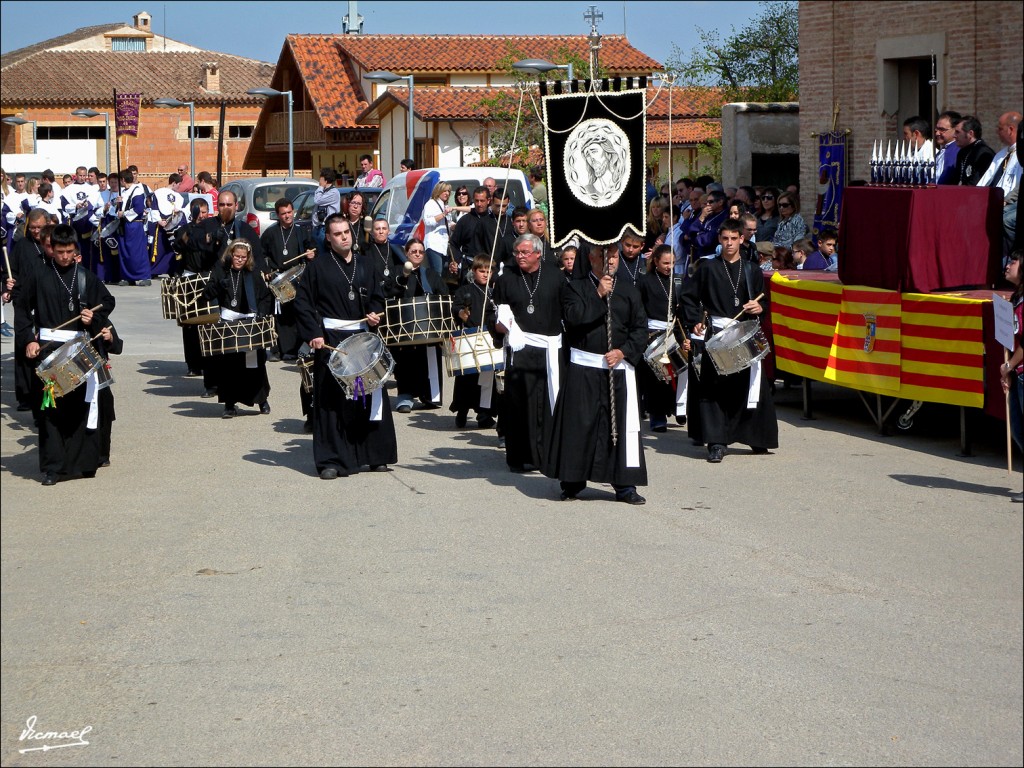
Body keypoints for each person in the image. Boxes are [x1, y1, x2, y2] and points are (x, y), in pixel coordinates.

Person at [543, 239, 649, 504]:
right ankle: (572, 481)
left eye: (613, 257)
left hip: (618, 369)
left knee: (619, 430)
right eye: (605, 257)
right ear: (591, 259)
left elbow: (640, 329)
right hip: (584, 370)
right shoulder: (575, 288)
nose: (610, 262)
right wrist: (598, 295)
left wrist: (623, 351)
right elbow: (574, 319)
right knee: (580, 427)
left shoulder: (629, 290)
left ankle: (625, 486)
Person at [293, 214, 397, 478]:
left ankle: (372, 454)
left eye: (346, 232)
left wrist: (375, 313)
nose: (343, 237)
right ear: (328, 238)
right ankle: (332, 460)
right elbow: (302, 302)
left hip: (362, 341)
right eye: (337, 233)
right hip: (332, 341)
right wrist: (313, 334)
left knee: (365, 394)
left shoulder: (365, 264)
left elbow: (377, 296)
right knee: (332, 401)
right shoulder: (318, 267)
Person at [14, 224, 115, 485]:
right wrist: (28, 340)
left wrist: (93, 316)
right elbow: (22, 310)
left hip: (79, 349)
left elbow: (107, 300)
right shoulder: (38, 274)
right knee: (51, 410)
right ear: (52, 250)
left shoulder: (84, 276)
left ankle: (82, 463)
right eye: (60, 251)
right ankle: (53, 468)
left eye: (70, 251)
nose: (65, 257)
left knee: (80, 408)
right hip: (48, 349)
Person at [681, 218, 778, 463]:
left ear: (742, 239)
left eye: (734, 239)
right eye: (725, 239)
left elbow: (762, 301)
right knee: (715, 389)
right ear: (719, 240)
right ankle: (716, 441)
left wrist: (759, 307)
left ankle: (754, 436)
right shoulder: (707, 267)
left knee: (748, 385)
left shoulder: (752, 269)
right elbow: (689, 298)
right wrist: (696, 319)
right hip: (717, 332)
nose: (729, 243)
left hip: (744, 332)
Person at [491, 233, 564, 472]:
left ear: (538, 253)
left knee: (545, 403)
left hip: (548, 350)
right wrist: (500, 326)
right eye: (517, 253)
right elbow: (497, 311)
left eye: (525, 252)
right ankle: (518, 456)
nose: (520, 257)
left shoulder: (555, 276)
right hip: (519, 350)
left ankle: (545, 455)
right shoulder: (506, 278)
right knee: (518, 404)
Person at [201, 239, 273, 418]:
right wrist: (219, 285)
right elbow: (206, 294)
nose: (240, 260)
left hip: (249, 322)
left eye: (243, 257)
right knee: (229, 366)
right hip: (228, 321)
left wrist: (262, 313)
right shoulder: (220, 269)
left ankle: (261, 400)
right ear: (230, 255)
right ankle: (229, 404)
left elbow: (265, 297)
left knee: (254, 364)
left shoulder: (254, 272)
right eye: (236, 256)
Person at [388, 238, 448, 413]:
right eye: (413, 251)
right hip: (404, 329)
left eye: (420, 252)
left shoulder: (430, 275)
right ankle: (405, 396)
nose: (417, 254)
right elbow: (390, 293)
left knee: (428, 360)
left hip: (428, 328)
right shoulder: (398, 272)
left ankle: (430, 396)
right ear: (406, 253)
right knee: (405, 363)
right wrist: (402, 281)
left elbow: (443, 295)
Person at [638, 244, 689, 433]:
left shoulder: (678, 281)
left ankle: (681, 407)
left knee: (682, 369)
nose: (669, 267)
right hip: (653, 333)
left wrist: (686, 334)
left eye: (673, 263)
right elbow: (639, 309)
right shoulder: (645, 281)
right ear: (656, 262)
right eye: (666, 263)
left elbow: (683, 309)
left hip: (674, 331)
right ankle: (657, 416)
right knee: (657, 378)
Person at [261, 197, 315, 361]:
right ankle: (278, 350)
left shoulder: (301, 231)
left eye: (289, 212)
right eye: (283, 213)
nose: (287, 216)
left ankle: (296, 349)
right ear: (278, 215)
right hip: (278, 278)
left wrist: (311, 254)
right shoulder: (270, 233)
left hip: (297, 278)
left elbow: (312, 248)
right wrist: (268, 270)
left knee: (296, 314)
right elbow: (261, 254)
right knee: (279, 315)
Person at [449, 255, 499, 430]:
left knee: (487, 379)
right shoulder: (465, 290)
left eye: (489, 271)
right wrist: (461, 312)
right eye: (482, 271)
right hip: (470, 339)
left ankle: (484, 415)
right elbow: (456, 307)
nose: (485, 274)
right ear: (474, 271)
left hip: (489, 338)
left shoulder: (495, 292)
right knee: (467, 379)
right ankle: (462, 411)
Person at [977, 112, 1021, 259]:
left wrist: (1005, 200)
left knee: (1005, 219)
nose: (997, 132)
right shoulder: (1001, 154)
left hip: (1008, 203)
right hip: (991, 201)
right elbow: (985, 180)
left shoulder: (1020, 154)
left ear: (1011, 129)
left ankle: (1005, 260)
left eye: (1000, 128)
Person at [999, 249, 1023, 504]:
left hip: (1022, 370)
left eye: (1013, 261)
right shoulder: (1016, 298)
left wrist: (1009, 366)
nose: (1007, 265)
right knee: (1017, 429)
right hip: (1018, 371)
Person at [116, 169, 151, 286]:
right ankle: (127, 276)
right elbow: (120, 209)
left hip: (134, 224)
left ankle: (144, 276)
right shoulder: (123, 192)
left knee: (137, 251)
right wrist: (118, 204)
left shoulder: (137, 191)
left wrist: (124, 214)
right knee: (125, 251)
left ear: (122, 180)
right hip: (124, 225)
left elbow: (139, 208)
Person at [951, 115, 995, 186]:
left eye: (957, 132)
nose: (954, 136)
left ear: (970, 134)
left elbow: (978, 183)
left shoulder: (984, 154)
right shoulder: (962, 152)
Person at [422, 182, 454, 276]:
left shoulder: (446, 206)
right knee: (437, 272)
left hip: (443, 245)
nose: (447, 193)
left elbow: (448, 224)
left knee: (441, 272)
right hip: (434, 244)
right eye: (444, 191)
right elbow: (428, 221)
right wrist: (443, 214)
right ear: (438, 191)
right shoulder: (430, 204)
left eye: (448, 191)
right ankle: (435, 290)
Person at [312, 168, 341, 251]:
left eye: (321, 178)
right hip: (318, 227)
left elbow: (317, 200)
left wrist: (320, 187)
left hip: (325, 228)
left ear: (326, 180)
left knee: (325, 253)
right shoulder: (323, 192)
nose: (319, 181)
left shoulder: (333, 192)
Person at [934, 111, 962, 185]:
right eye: (937, 129)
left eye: (942, 130)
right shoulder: (941, 151)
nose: (937, 133)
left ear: (955, 130)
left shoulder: (958, 151)